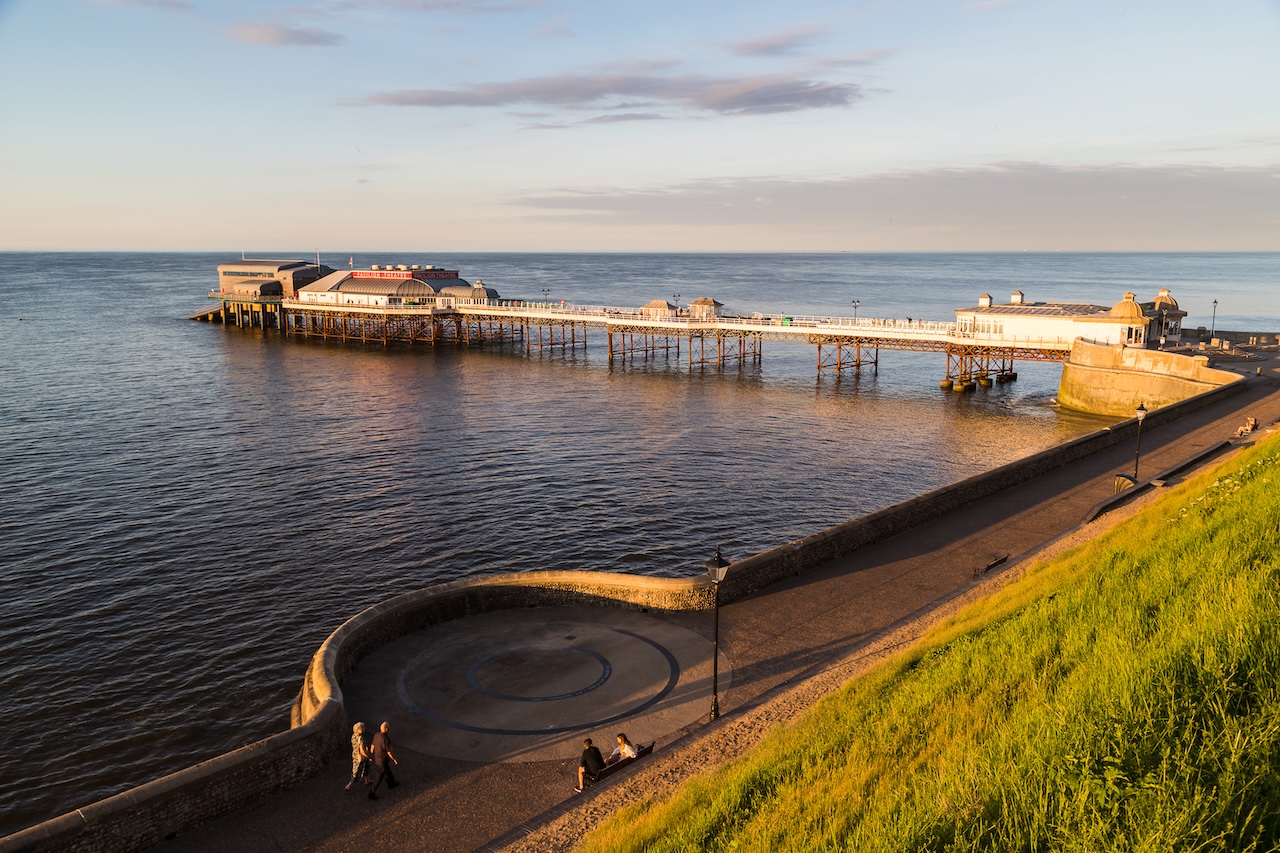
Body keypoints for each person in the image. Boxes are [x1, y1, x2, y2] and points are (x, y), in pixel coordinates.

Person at [367, 721, 399, 800]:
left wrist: (371, 755)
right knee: (378, 777)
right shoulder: (386, 739)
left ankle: (391, 783)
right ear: (387, 729)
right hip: (383, 761)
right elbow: (389, 752)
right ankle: (371, 793)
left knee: (387, 771)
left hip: (377, 759)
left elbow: (372, 746)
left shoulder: (376, 735)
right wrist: (394, 759)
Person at [345, 722, 370, 792]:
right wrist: (369, 756)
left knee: (365, 767)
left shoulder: (353, 736)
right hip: (360, 756)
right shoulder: (361, 738)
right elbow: (362, 751)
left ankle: (367, 780)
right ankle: (349, 785)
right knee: (357, 770)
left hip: (355, 754)